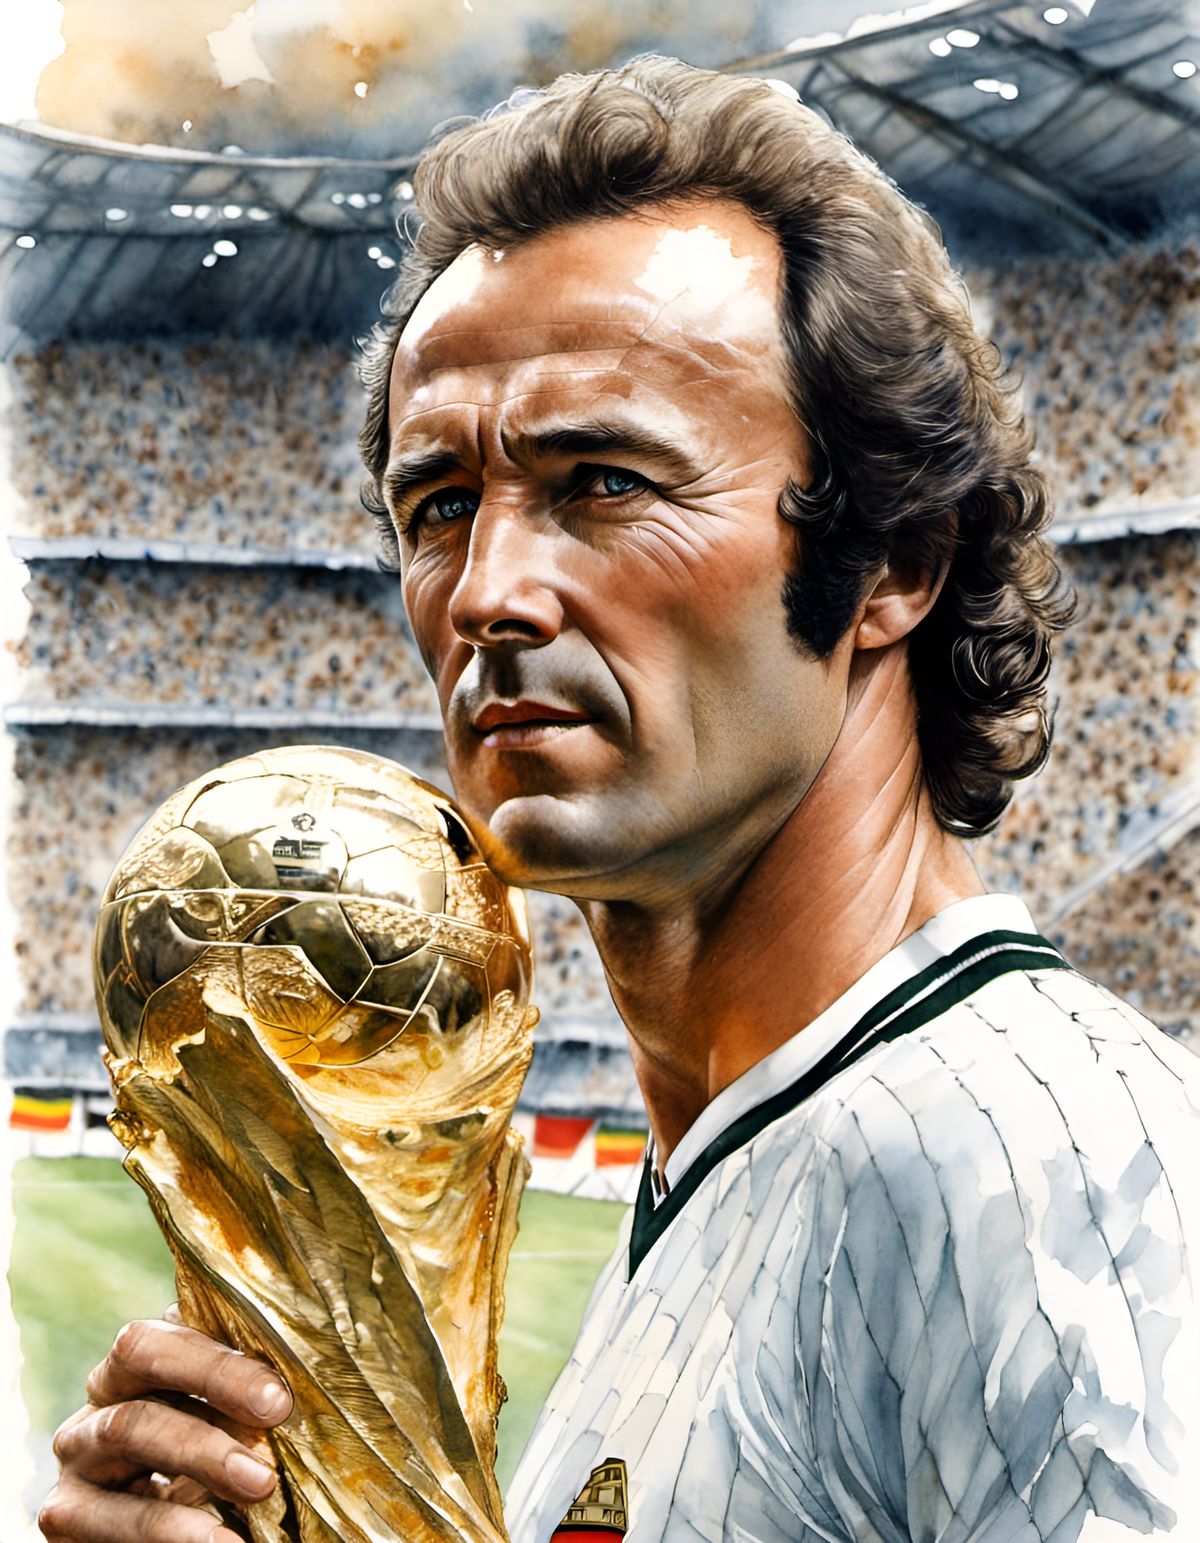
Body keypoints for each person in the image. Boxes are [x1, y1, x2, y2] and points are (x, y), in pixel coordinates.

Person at [40, 55, 1198, 1543]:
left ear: (895, 562)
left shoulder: (1048, 1163)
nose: (489, 594)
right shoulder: (738, 1157)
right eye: (439, 506)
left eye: (603, 482)